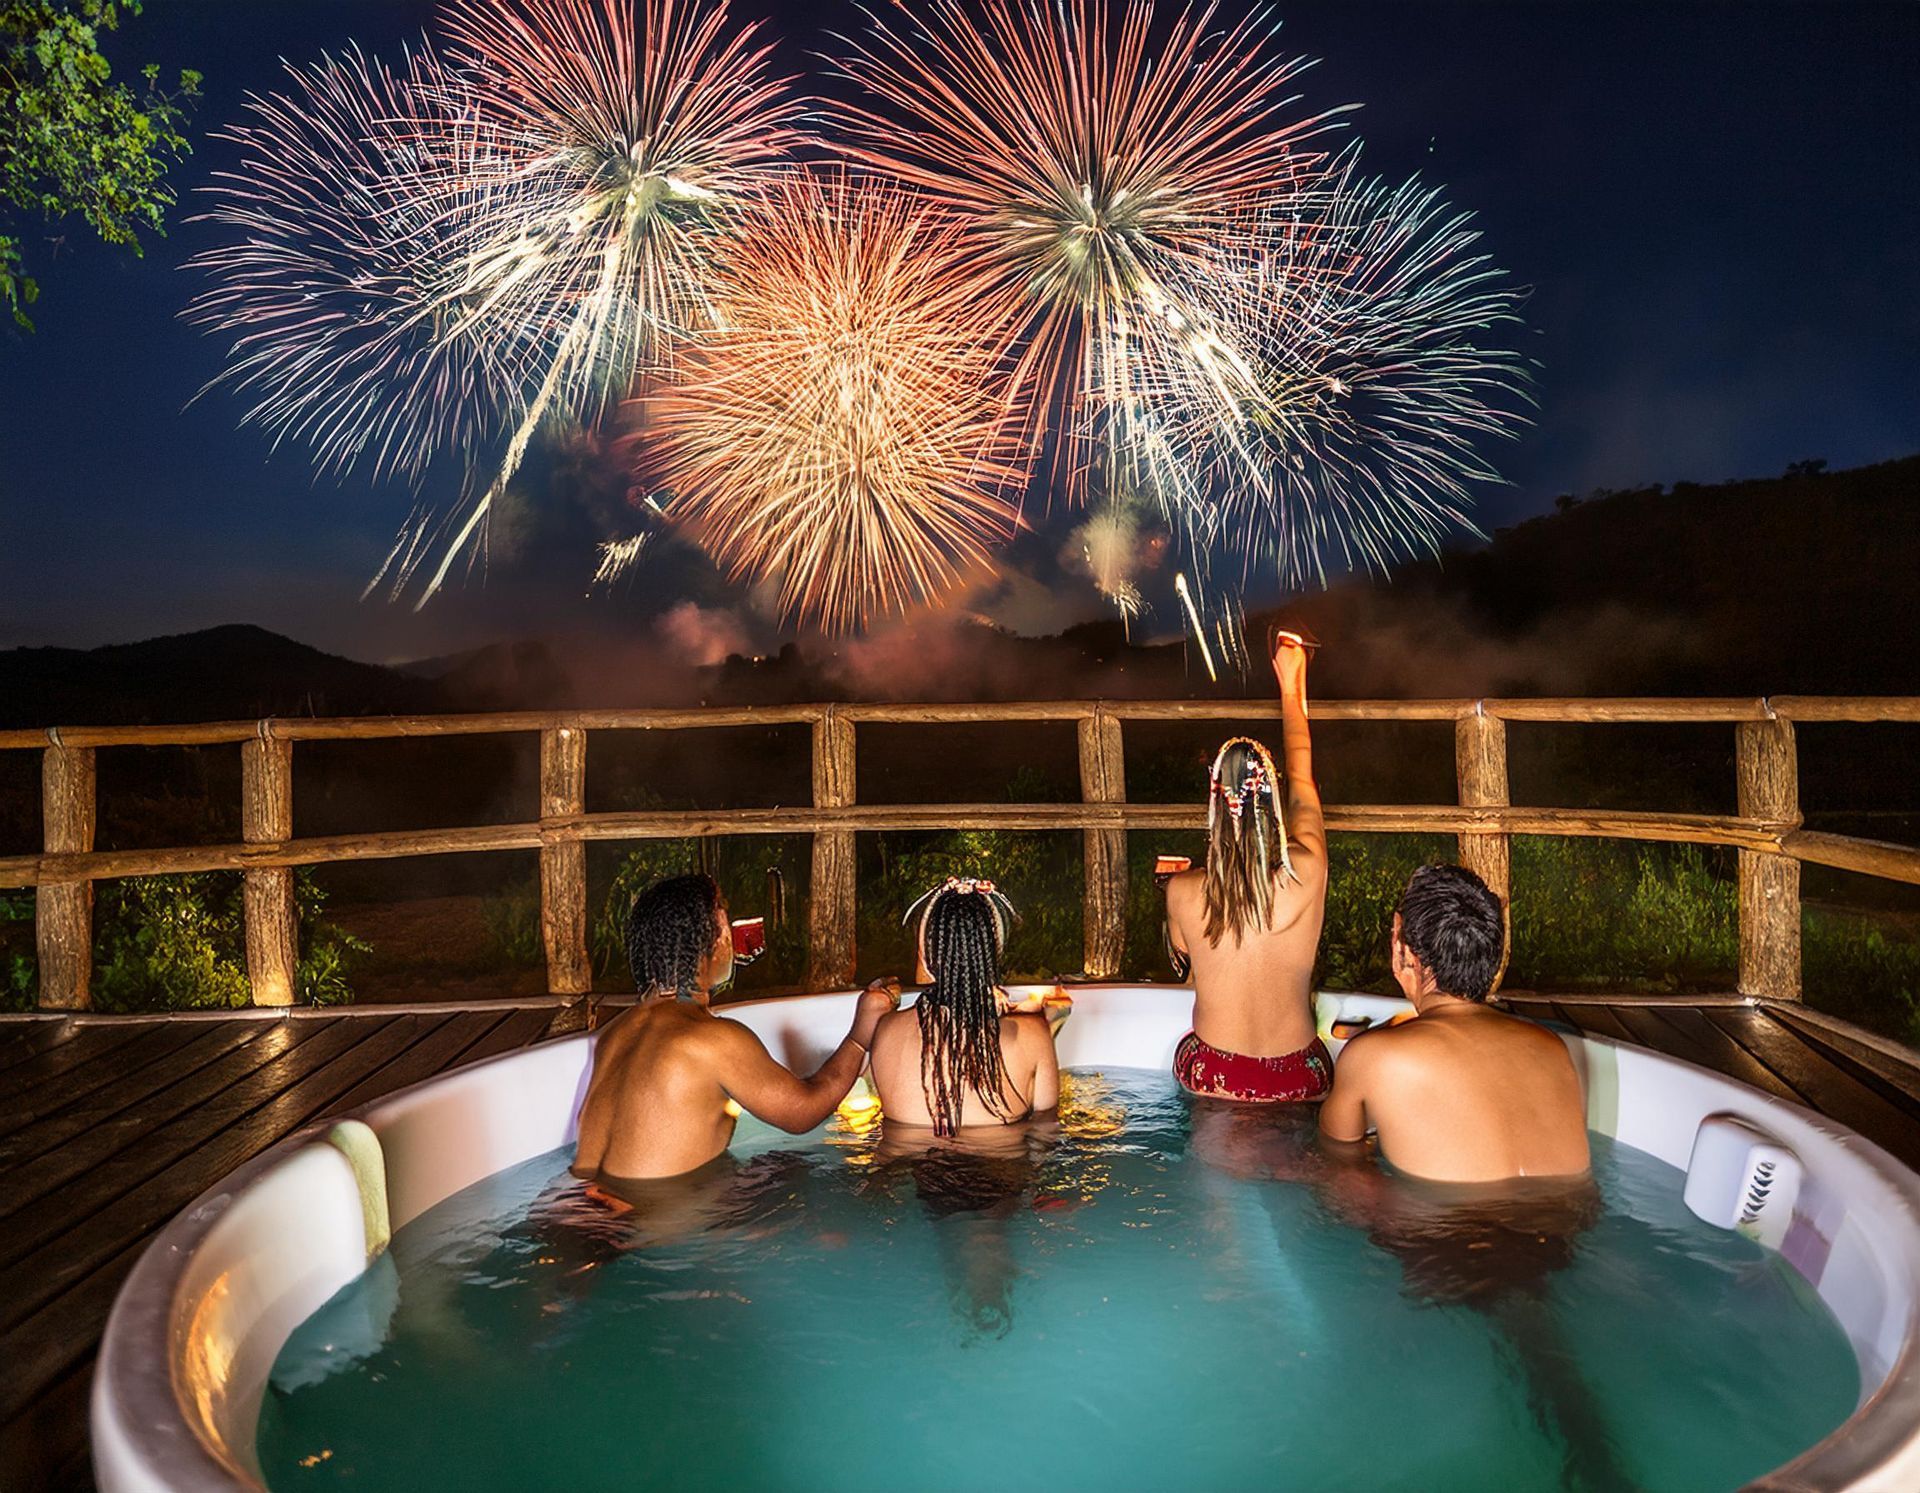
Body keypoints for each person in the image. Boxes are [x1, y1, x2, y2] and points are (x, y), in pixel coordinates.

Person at [572, 873, 897, 1182]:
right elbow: (803, 1113)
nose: (730, 936)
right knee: (805, 1178)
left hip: (581, 1207)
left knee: (777, 1169)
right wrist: (860, 1034)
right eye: (724, 922)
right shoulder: (712, 1039)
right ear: (711, 940)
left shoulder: (615, 1033)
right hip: (646, 1224)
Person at [1319, 864, 1591, 1183]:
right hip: (1564, 1226)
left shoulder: (1374, 1057)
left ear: (1400, 947)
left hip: (1447, 1231)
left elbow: (1336, 1162)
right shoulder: (1553, 1049)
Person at [1164, 631, 1330, 1102]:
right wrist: (1291, 685)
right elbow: (1303, 775)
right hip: (1299, 1072)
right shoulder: (1309, 867)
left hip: (1215, 1072)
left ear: (1216, 803)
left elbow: (1184, 960)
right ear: (1271, 797)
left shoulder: (1183, 890)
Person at [868, 877, 1060, 1135]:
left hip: (913, 1170)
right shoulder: (1033, 1034)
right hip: (1003, 1169)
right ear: (996, 953)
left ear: (927, 956)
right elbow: (1046, 1132)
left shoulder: (886, 1029)